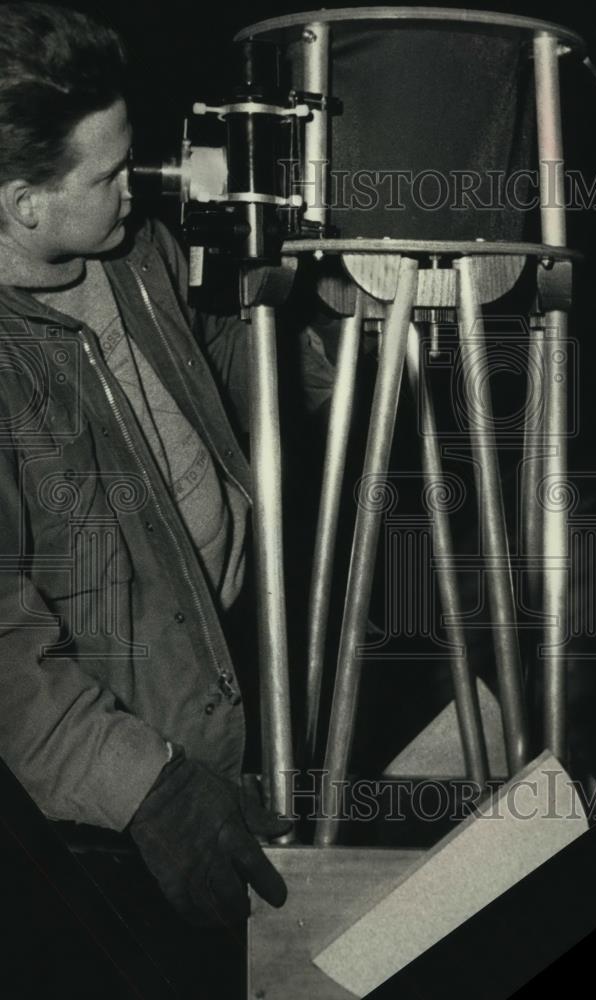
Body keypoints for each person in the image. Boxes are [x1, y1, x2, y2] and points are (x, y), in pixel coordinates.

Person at [0, 1, 332, 933]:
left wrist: (325, 331)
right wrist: (145, 786)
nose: (140, 185)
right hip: (123, 791)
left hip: (236, 668)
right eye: (108, 173)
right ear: (25, 204)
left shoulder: (133, 248)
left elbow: (224, 357)